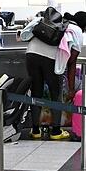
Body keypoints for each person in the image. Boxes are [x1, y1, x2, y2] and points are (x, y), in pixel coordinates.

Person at [19, 8, 71, 141]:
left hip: (31, 54)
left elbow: (23, 35)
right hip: (50, 58)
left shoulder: (38, 20)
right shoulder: (64, 26)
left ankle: (35, 130)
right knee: (55, 93)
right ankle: (56, 131)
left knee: (36, 91)